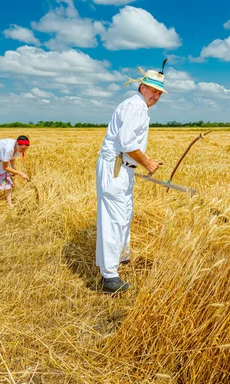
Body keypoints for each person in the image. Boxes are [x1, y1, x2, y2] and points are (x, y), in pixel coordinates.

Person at [95, 63, 167, 294]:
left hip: (124, 168)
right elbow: (126, 143)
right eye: (153, 91)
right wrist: (147, 163)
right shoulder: (135, 107)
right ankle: (109, 278)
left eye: (159, 93)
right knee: (113, 219)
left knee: (125, 214)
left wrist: (139, 162)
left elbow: (129, 144)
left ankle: (121, 258)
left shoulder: (138, 107)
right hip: (115, 168)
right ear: (143, 87)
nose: (156, 96)